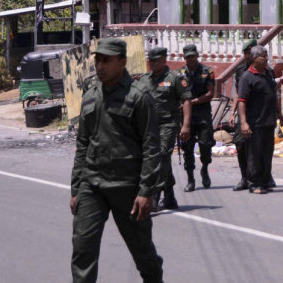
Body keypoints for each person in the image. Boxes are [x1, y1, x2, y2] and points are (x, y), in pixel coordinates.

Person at [71, 38, 163, 283]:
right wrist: (76, 188)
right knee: (83, 249)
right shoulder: (90, 96)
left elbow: (151, 146)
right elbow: (82, 144)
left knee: (142, 252)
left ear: (122, 62)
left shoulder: (139, 97)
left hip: (128, 188)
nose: (100, 66)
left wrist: (146, 191)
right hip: (92, 186)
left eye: (107, 61)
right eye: (97, 60)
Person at [137, 46, 192, 211]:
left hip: (168, 123)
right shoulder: (144, 79)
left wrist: (186, 125)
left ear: (164, 60)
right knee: (161, 160)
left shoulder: (176, 78)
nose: (153, 64)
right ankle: (170, 197)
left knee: (160, 156)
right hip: (148, 125)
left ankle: (154, 195)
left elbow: (187, 101)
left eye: (156, 60)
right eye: (151, 61)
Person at [237, 45, 283, 194]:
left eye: (266, 55)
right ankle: (254, 183)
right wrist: (243, 122)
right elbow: (242, 101)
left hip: (269, 121)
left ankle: (265, 181)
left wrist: (280, 113)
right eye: (263, 56)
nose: (266, 58)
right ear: (255, 58)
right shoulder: (247, 77)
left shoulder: (268, 73)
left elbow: (273, 94)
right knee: (254, 154)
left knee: (266, 154)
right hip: (254, 122)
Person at [178, 44, 215, 192]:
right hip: (186, 117)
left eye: (193, 56)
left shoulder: (208, 71)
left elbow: (210, 93)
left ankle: (205, 167)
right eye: (188, 57)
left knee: (205, 144)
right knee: (187, 147)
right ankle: (190, 179)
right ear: (184, 58)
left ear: (197, 56)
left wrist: (191, 102)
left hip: (203, 113)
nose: (191, 59)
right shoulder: (179, 74)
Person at [231, 40, 257, 191]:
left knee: (259, 147)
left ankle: (262, 176)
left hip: (258, 113)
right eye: (246, 54)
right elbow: (237, 93)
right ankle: (244, 177)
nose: (247, 56)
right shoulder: (240, 71)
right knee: (240, 143)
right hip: (243, 113)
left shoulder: (266, 70)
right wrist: (232, 112)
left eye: (249, 53)